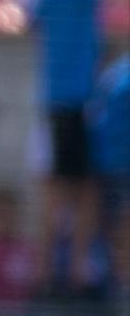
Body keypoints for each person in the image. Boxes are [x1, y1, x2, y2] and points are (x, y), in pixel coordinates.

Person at [0, 0, 130, 291]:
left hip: (52, 103)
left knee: (55, 188)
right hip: (81, 102)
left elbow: (19, 21)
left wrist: (4, 11)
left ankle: (46, 270)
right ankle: (75, 270)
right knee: (85, 189)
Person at [90, 52, 130, 306]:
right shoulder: (121, 76)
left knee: (113, 227)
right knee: (121, 227)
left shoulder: (113, 74)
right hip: (121, 165)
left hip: (105, 165)